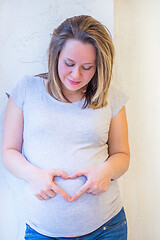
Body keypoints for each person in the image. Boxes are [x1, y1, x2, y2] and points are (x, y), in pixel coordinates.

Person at [1, 15, 130, 240]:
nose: (76, 75)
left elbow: (122, 155)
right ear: (56, 55)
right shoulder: (26, 90)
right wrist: (33, 176)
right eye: (69, 64)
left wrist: (107, 171)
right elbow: (9, 151)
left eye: (88, 67)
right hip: (43, 232)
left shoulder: (111, 98)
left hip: (106, 228)